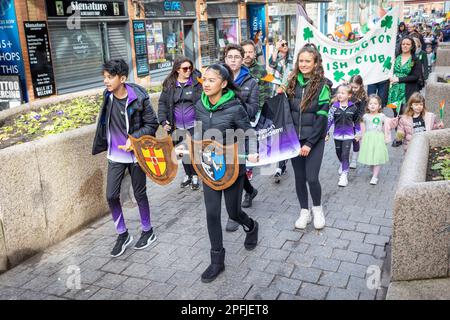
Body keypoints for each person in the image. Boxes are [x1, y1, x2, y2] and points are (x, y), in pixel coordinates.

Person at [194, 63, 259, 282]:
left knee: (233, 213)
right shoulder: (199, 106)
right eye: (205, 79)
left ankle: (251, 226)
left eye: (212, 80)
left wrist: (252, 153)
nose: (207, 84)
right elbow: (197, 134)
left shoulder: (235, 107)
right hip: (209, 168)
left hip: (232, 168)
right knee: (212, 214)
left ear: (223, 84)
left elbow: (249, 133)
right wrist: (186, 145)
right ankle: (216, 261)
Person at [92, 59, 159, 257]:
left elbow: (152, 124)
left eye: (110, 77)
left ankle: (148, 230)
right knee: (111, 195)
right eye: (104, 77)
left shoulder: (139, 97)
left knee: (139, 194)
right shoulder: (108, 96)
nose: (106, 81)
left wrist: (134, 139)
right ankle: (122, 234)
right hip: (115, 155)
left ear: (122, 78)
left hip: (137, 155)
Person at [286, 44, 331, 230]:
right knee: (299, 178)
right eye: (301, 61)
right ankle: (304, 211)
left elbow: (322, 117)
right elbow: (286, 111)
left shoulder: (323, 85)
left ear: (315, 63)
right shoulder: (291, 82)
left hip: (314, 140)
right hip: (294, 141)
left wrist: (310, 143)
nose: (303, 64)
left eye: (307, 61)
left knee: (312, 178)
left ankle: (317, 209)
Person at [223, 44, 260, 228]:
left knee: (235, 169)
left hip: (241, 131)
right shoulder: (218, 78)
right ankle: (250, 191)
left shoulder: (251, 81)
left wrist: (238, 104)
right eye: (230, 57)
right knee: (233, 168)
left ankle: (233, 214)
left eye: (237, 57)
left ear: (243, 59)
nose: (233, 60)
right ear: (225, 59)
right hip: (221, 131)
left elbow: (253, 110)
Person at [158, 57, 202, 190]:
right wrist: (163, 120)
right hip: (177, 126)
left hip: (194, 125)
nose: (188, 71)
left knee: (193, 152)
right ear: (178, 70)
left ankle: (195, 175)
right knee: (183, 152)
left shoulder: (196, 83)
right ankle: (188, 175)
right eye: (185, 69)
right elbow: (162, 103)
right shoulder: (169, 84)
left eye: (190, 68)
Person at [388, 36, 423, 147]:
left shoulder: (415, 60)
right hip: (394, 91)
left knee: (405, 115)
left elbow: (416, 77)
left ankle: (404, 138)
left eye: (408, 44)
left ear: (412, 46)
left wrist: (399, 79)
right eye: (403, 44)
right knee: (396, 115)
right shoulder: (396, 57)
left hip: (407, 91)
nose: (405, 46)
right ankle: (399, 136)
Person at [326, 85, 361, 187]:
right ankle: (342, 163)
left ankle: (344, 175)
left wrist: (358, 133)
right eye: (338, 93)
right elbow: (329, 121)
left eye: (342, 93)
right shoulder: (333, 107)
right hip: (337, 135)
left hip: (349, 135)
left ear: (349, 95)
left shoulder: (353, 107)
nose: (339, 95)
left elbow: (357, 121)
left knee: (345, 154)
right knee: (339, 153)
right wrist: (326, 132)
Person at [268, 39, 293, 183]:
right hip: (275, 98)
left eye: (285, 44)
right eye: (281, 44)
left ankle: (281, 164)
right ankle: (280, 164)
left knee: (283, 130)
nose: (283, 46)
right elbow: (271, 66)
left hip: (288, 99)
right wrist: (276, 50)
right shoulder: (276, 60)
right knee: (276, 130)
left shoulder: (292, 61)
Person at [358, 94, 397, 185]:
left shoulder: (382, 116)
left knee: (377, 157)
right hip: (368, 139)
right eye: (370, 103)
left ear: (379, 106)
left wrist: (393, 120)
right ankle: (372, 167)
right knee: (371, 158)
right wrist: (361, 137)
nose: (372, 105)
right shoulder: (365, 116)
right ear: (367, 105)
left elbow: (389, 123)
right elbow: (362, 128)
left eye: (375, 103)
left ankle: (375, 177)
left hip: (378, 139)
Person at [349, 75, 368, 169]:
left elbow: (362, 112)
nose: (353, 89)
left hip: (357, 122)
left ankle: (354, 159)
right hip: (346, 121)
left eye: (355, 87)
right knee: (346, 141)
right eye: (351, 87)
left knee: (355, 140)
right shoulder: (347, 92)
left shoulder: (363, 96)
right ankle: (344, 159)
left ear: (360, 85)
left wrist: (356, 122)